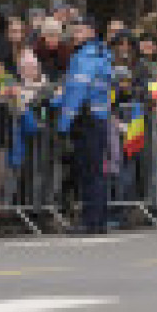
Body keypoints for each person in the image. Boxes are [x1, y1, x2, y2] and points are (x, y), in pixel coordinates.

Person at [54, 15, 112, 234]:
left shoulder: (84, 55)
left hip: (85, 119)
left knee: (88, 172)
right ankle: (98, 220)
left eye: (78, 31)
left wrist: (64, 122)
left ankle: (90, 222)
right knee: (96, 172)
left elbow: (77, 90)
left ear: (91, 32)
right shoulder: (102, 53)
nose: (74, 35)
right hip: (98, 118)